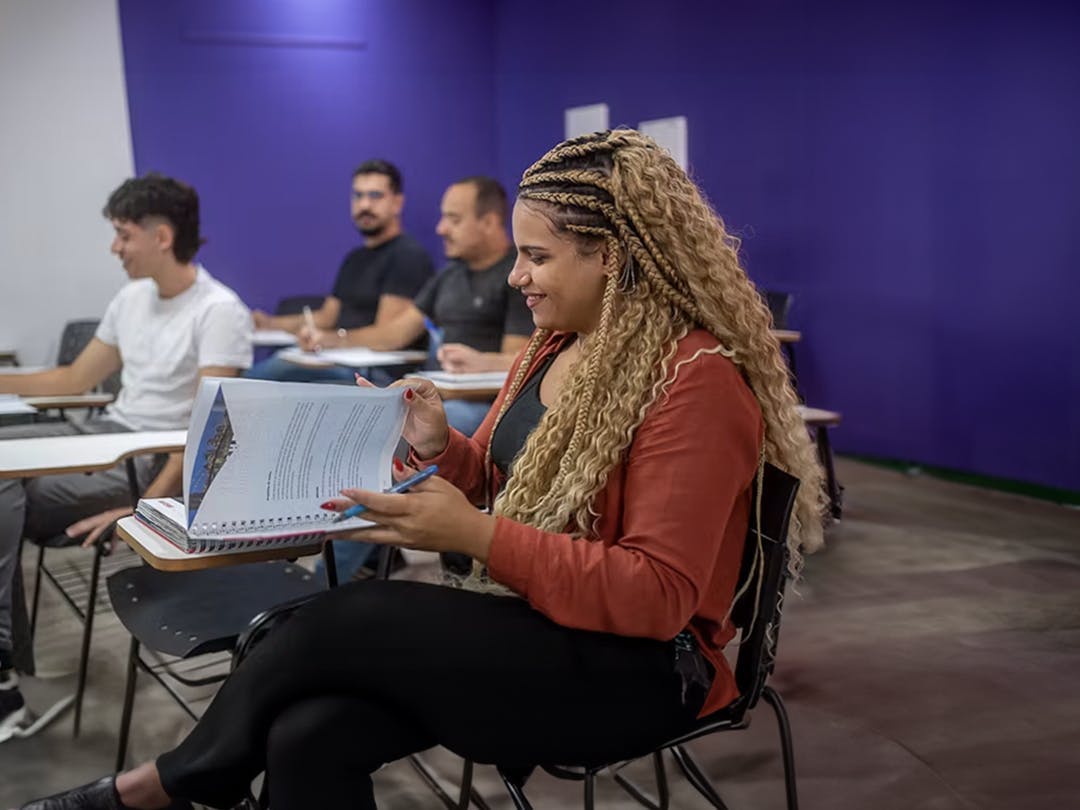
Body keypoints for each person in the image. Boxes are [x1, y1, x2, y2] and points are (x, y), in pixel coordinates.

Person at [17, 129, 825, 810]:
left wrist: (476, 535)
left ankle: (172, 781)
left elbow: (655, 600)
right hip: (541, 622)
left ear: (612, 257)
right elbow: (515, 484)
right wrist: (447, 450)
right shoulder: (555, 349)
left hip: (640, 669)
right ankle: (196, 775)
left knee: (343, 618)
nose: (516, 278)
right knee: (308, 734)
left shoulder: (696, 378)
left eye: (536, 257)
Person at [0, 173, 252, 744]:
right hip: (102, 437)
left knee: (2, 486)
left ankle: (3, 675)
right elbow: (71, 379)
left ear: (161, 236)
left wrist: (146, 509)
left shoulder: (219, 312)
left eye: (122, 234)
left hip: (145, 462)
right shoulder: (131, 298)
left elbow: (206, 434)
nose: (115, 247)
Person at [308, 176, 532, 581]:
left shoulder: (515, 278)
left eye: (453, 218)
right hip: (442, 397)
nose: (440, 228)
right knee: (355, 423)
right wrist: (332, 337)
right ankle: (349, 561)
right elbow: (395, 333)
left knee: (382, 442)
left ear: (489, 222)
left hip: (484, 406)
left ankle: (331, 575)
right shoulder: (449, 276)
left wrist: (481, 362)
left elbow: (522, 356)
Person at [245, 159, 434, 383]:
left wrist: (331, 339)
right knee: (277, 364)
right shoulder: (355, 259)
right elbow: (326, 317)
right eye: (358, 195)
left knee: (266, 374)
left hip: (378, 376)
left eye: (375, 196)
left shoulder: (408, 256)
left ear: (397, 203)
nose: (365, 205)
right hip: (339, 360)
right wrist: (269, 323)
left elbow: (387, 338)